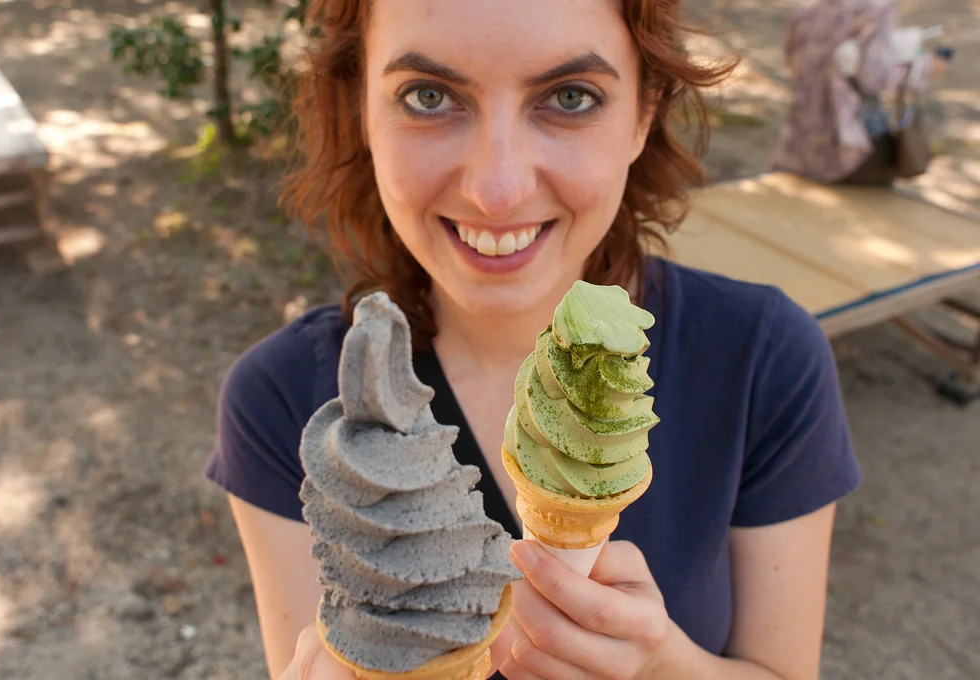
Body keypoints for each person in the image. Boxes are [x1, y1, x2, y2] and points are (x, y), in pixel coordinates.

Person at [205, 0, 863, 678]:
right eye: (427, 96)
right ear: (358, 111)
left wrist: (662, 665)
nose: (498, 189)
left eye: (570, 97)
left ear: (645, 111)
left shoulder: (764, 360)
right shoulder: (282, 404)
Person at [771, 0, 951, 184]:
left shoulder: (807, 7)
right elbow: (874, 77)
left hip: (799, 144)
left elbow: (794, 64)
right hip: (850, 147)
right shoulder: (875, 7)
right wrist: (926, 68)